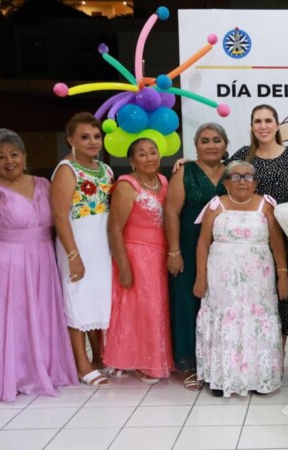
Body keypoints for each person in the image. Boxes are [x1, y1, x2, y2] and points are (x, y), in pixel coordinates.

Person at [0, 129, 77, 401]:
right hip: (5, 263)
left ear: (25, 156)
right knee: (11, 319)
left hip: (42, 260)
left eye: (14, 154)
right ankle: (11, 375)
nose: (9, 161)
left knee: (40, 316)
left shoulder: (42, 184)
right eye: (0, 157)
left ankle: (43, 370)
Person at [193, 161, 288, 396]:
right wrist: (200, 278)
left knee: (256, 323)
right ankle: (222, 378)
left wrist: (283, 275)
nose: (242, 181)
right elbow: (203, 243)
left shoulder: (266, 205)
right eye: (235, 177)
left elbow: (277, 244)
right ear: (226, 183)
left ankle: (259, 379)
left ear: (256, 182)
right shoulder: (215, 206)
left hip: (259, 281)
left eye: (248, 177)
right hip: (221, 281)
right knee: (225, 321)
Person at [226, 105, 288, 350]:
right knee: (255, 297)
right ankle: (254, 352)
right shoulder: (243, 155)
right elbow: (218, 177)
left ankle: (277, 355)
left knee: (283, 298)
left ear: (277, 124)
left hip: (284, 238)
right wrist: (188, 162)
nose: (263, 126)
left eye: (267, 120)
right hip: (251, 241)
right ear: (252, 126)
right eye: (257, 121)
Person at [104, 138, 174, 384]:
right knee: (141, 309)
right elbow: (114, 230)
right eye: (142, 154)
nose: (149, 158)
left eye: (153, 152)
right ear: (132, 161)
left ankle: (158, 357)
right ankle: (141, 360)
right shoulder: (126, 185)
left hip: (160, 255)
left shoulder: (163, 181)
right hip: (136, 255)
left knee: (158, 308)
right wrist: (124, 266)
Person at [51, 112, 114, 387]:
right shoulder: (67, 169)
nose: (92, 142)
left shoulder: (106, 170)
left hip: (102, 243)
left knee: (98, 301)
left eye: (96, 137)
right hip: (77, 242)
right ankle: (81, 363)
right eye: (84, 137)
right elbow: (59, 216)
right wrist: (73, 256)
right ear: (70, 140)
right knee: (76, 301)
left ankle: (101, 356)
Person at [165, 122, 228, 391]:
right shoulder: (184, 172)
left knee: (221, 305)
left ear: (225, 145)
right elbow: (170, 212)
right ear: (195, 145)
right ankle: (190, 364)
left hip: (225, 248)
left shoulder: (233, 173)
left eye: (216, 140)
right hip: (189, 246)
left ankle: (219, 362)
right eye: (204, 141)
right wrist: (174, 251)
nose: (211, 145)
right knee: (189, 301)